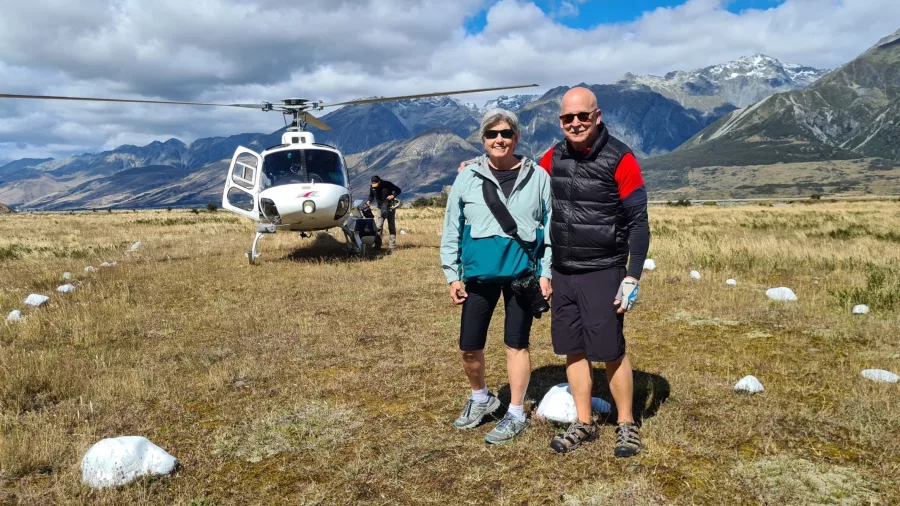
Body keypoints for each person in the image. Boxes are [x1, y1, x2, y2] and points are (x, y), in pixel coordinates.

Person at [541, 87, 650, 457]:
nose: (575, 123)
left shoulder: (621, 158)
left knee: (610, 350)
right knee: (573, 349)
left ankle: (626, 424)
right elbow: (525, 188)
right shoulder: (551, 158)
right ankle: (584, 422)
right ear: (560, 121)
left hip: (603, 270)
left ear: (597, 116)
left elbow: (639, 223)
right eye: (567, 118)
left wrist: (632, 276)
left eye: (582, 116)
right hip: (563, 271)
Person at [440, 108, 552, 445]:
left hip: (521, 273)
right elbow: (452, 226)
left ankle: (515, 412)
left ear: (516, 137)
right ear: (483, 139)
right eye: (492, 134)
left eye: (505, 133)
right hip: (477, 275)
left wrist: (546, 273)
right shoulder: (468, 176)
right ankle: (481, 398)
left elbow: (552, 230)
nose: (499, 139)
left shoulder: (539, 177)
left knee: (515, 344)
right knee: (468, 347)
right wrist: (452, 273)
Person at [367, 176, 402, 250]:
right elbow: (371, 196)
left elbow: (398, 190)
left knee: (391, 226)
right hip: (380, 208)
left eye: (376, 184)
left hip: (389, 208)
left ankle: (392, 246)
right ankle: (377, 246)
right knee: (379, 226)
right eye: (373, 184)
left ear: (379, 181)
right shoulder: (372, 187)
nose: (374, 186)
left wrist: (393, 195)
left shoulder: (387, 184)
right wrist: (369, 201)